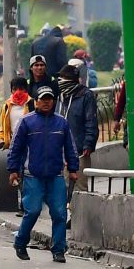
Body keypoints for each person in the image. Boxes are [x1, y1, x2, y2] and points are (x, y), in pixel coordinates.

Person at [8, 86, 79, 263]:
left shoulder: (61, 122)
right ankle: (20, 242)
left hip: (55, 175)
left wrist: (74, 169)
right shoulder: (26, 122)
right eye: (43, 99)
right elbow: (15, 148)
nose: (46, 102)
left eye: (49, 99)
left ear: (53, 101)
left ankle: (58, 249)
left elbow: (70, 147)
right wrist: (13, 170)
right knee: (32, 211)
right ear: (36, 102)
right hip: (33, 175)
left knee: (60, 213)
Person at [56, 64, 98, 192]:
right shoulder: (60, 96)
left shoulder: (86, 95)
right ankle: (67, 212)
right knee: (62, 188)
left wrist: (88, 144)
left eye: (63, 78)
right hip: (60, 151)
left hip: (79, 150)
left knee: (79, 187)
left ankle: (80, 212)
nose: (60, 81)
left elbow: (91, 121)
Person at [0, 77, 36, 150]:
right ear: (11, 90)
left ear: (26, 89)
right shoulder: (7, 106)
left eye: (21, 89)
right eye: (15, 89)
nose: (18, 92)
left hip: (31, 146)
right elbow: (3, 127)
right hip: (14, 146)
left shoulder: (33, 104)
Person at [113, 79, 128, 149]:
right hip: (131, 121)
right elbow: (121, 102)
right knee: (127, 144)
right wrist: (117, 120)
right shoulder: (129, 81)